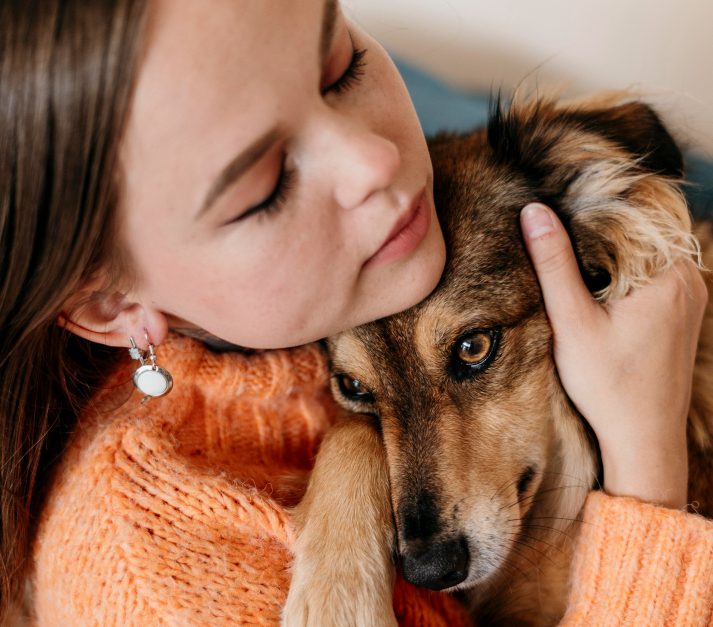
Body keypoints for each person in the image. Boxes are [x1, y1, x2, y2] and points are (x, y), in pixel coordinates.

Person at [1, 0, 710, 624]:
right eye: (265, 183)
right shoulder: (153, 571)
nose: (374, 161)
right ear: (113, 303)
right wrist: (647, 472)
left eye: (339, 67)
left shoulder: (377, 252)